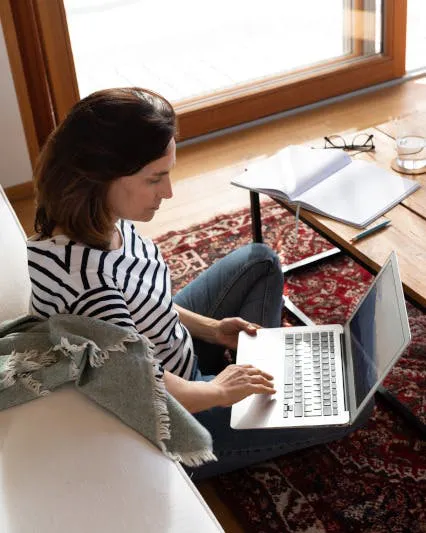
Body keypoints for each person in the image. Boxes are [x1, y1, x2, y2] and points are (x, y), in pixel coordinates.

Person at [27, 87, 371, 480]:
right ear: (101, 176)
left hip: (167, 351)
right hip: (171, 413)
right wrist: (219, 392)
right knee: (355, 406)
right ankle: (253, 405)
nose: (169, 192)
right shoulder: (88, 285)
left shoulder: (98, 215)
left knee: (259, 262)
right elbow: (142, 389)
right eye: (156, 179)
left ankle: (261, 385)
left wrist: (213, 329)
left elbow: (141, 300)